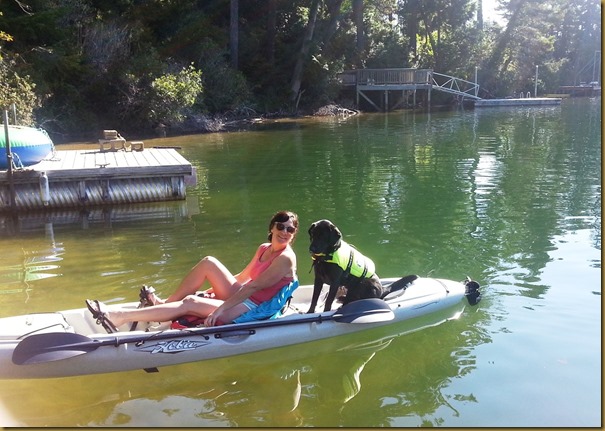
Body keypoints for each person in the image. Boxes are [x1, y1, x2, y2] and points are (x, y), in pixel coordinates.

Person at [86, 210, 299, 331]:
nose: (284, 232)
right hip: (244, 296)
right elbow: (243, 277)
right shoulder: (264, 248)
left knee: (191, 303)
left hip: (255, 306)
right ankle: (165, 305)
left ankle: (120, 316)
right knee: (209, 262)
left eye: (290, 229)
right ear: (272, 228)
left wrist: (220, 309)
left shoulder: (285, 259)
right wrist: (213, 292)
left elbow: (253, 286)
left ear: (293, 234)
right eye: (281, 227)